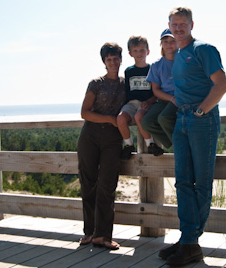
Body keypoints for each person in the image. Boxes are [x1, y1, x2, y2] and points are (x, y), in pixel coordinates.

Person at [159, 7, 226, 266]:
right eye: (174, 24)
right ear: (169, 25)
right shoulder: (177, 53)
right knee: (182, 182)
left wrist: (200, 111)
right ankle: (188, 239)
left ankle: (190, 241)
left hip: (202, 120)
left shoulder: (203, 49)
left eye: (182, 24)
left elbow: (222, 84)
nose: (178, 29)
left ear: (191, 24)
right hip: (181, 119)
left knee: (201, 182)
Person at [77, 42, 126, 250]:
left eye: (116, 58)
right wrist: (109, 118)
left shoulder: (127, 84)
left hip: (113, 139)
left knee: (107, 185)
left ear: (121, 60)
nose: (113, 62)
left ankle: (103, 236)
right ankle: (89, 232)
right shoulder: (96, 83)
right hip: (90, 134)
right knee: (88, 183)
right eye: (109, 59)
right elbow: (85, 113)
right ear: (104, 62)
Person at [117, 36, 164, 160]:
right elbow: (127, 91)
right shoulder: (128, 71)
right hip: (132, 103)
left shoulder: (152, 69)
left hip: (148, 103)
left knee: (139, 116)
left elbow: (157, 90)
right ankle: (128, 145)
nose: (139, 53)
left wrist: (149, 102)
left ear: (148, 51)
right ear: (130, 53)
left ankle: (151, 144)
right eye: (135, 50)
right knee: (121, 119)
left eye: (142, 50)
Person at [141, 28, 178, 150]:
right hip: (164, 99)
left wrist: (175, 98)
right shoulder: (156, 65)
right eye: (165, 41)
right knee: (147, 122)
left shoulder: (183, 61)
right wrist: (171, 98)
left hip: (180, 97)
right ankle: (173, 144)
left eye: (172, 41)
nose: (169, 44)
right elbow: (156, 90)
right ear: (161, 44)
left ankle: (180, 146)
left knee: (164, 118)